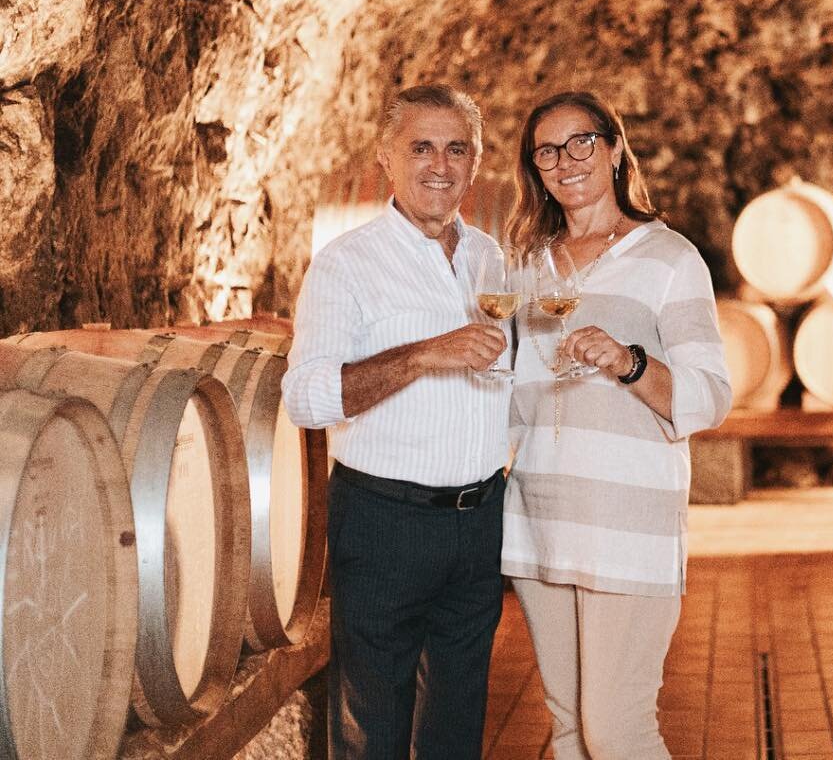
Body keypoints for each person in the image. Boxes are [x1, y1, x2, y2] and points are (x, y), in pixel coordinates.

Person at [281, 84, 511, 759]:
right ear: (386, 156)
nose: (440, 165)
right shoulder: (345, 265)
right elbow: (306, 398)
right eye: (421, 147)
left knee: (456, 726)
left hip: (479, 519)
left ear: (475, 161)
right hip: (386, 522)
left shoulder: (490, 258)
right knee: (371, 730)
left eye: (457, 148)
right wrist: (422, 354)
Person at [503, 91, 732, 760]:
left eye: (582, 142)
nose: (566, 160)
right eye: (548, 151)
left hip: (627, 520)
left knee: (616, 730)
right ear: (534, 168)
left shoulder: (669, 257)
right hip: (540, 516)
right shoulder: (529, 265)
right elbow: (518, 397)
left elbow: (711, 395)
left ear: (613, 149)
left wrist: (630, 362)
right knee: (570, 729)